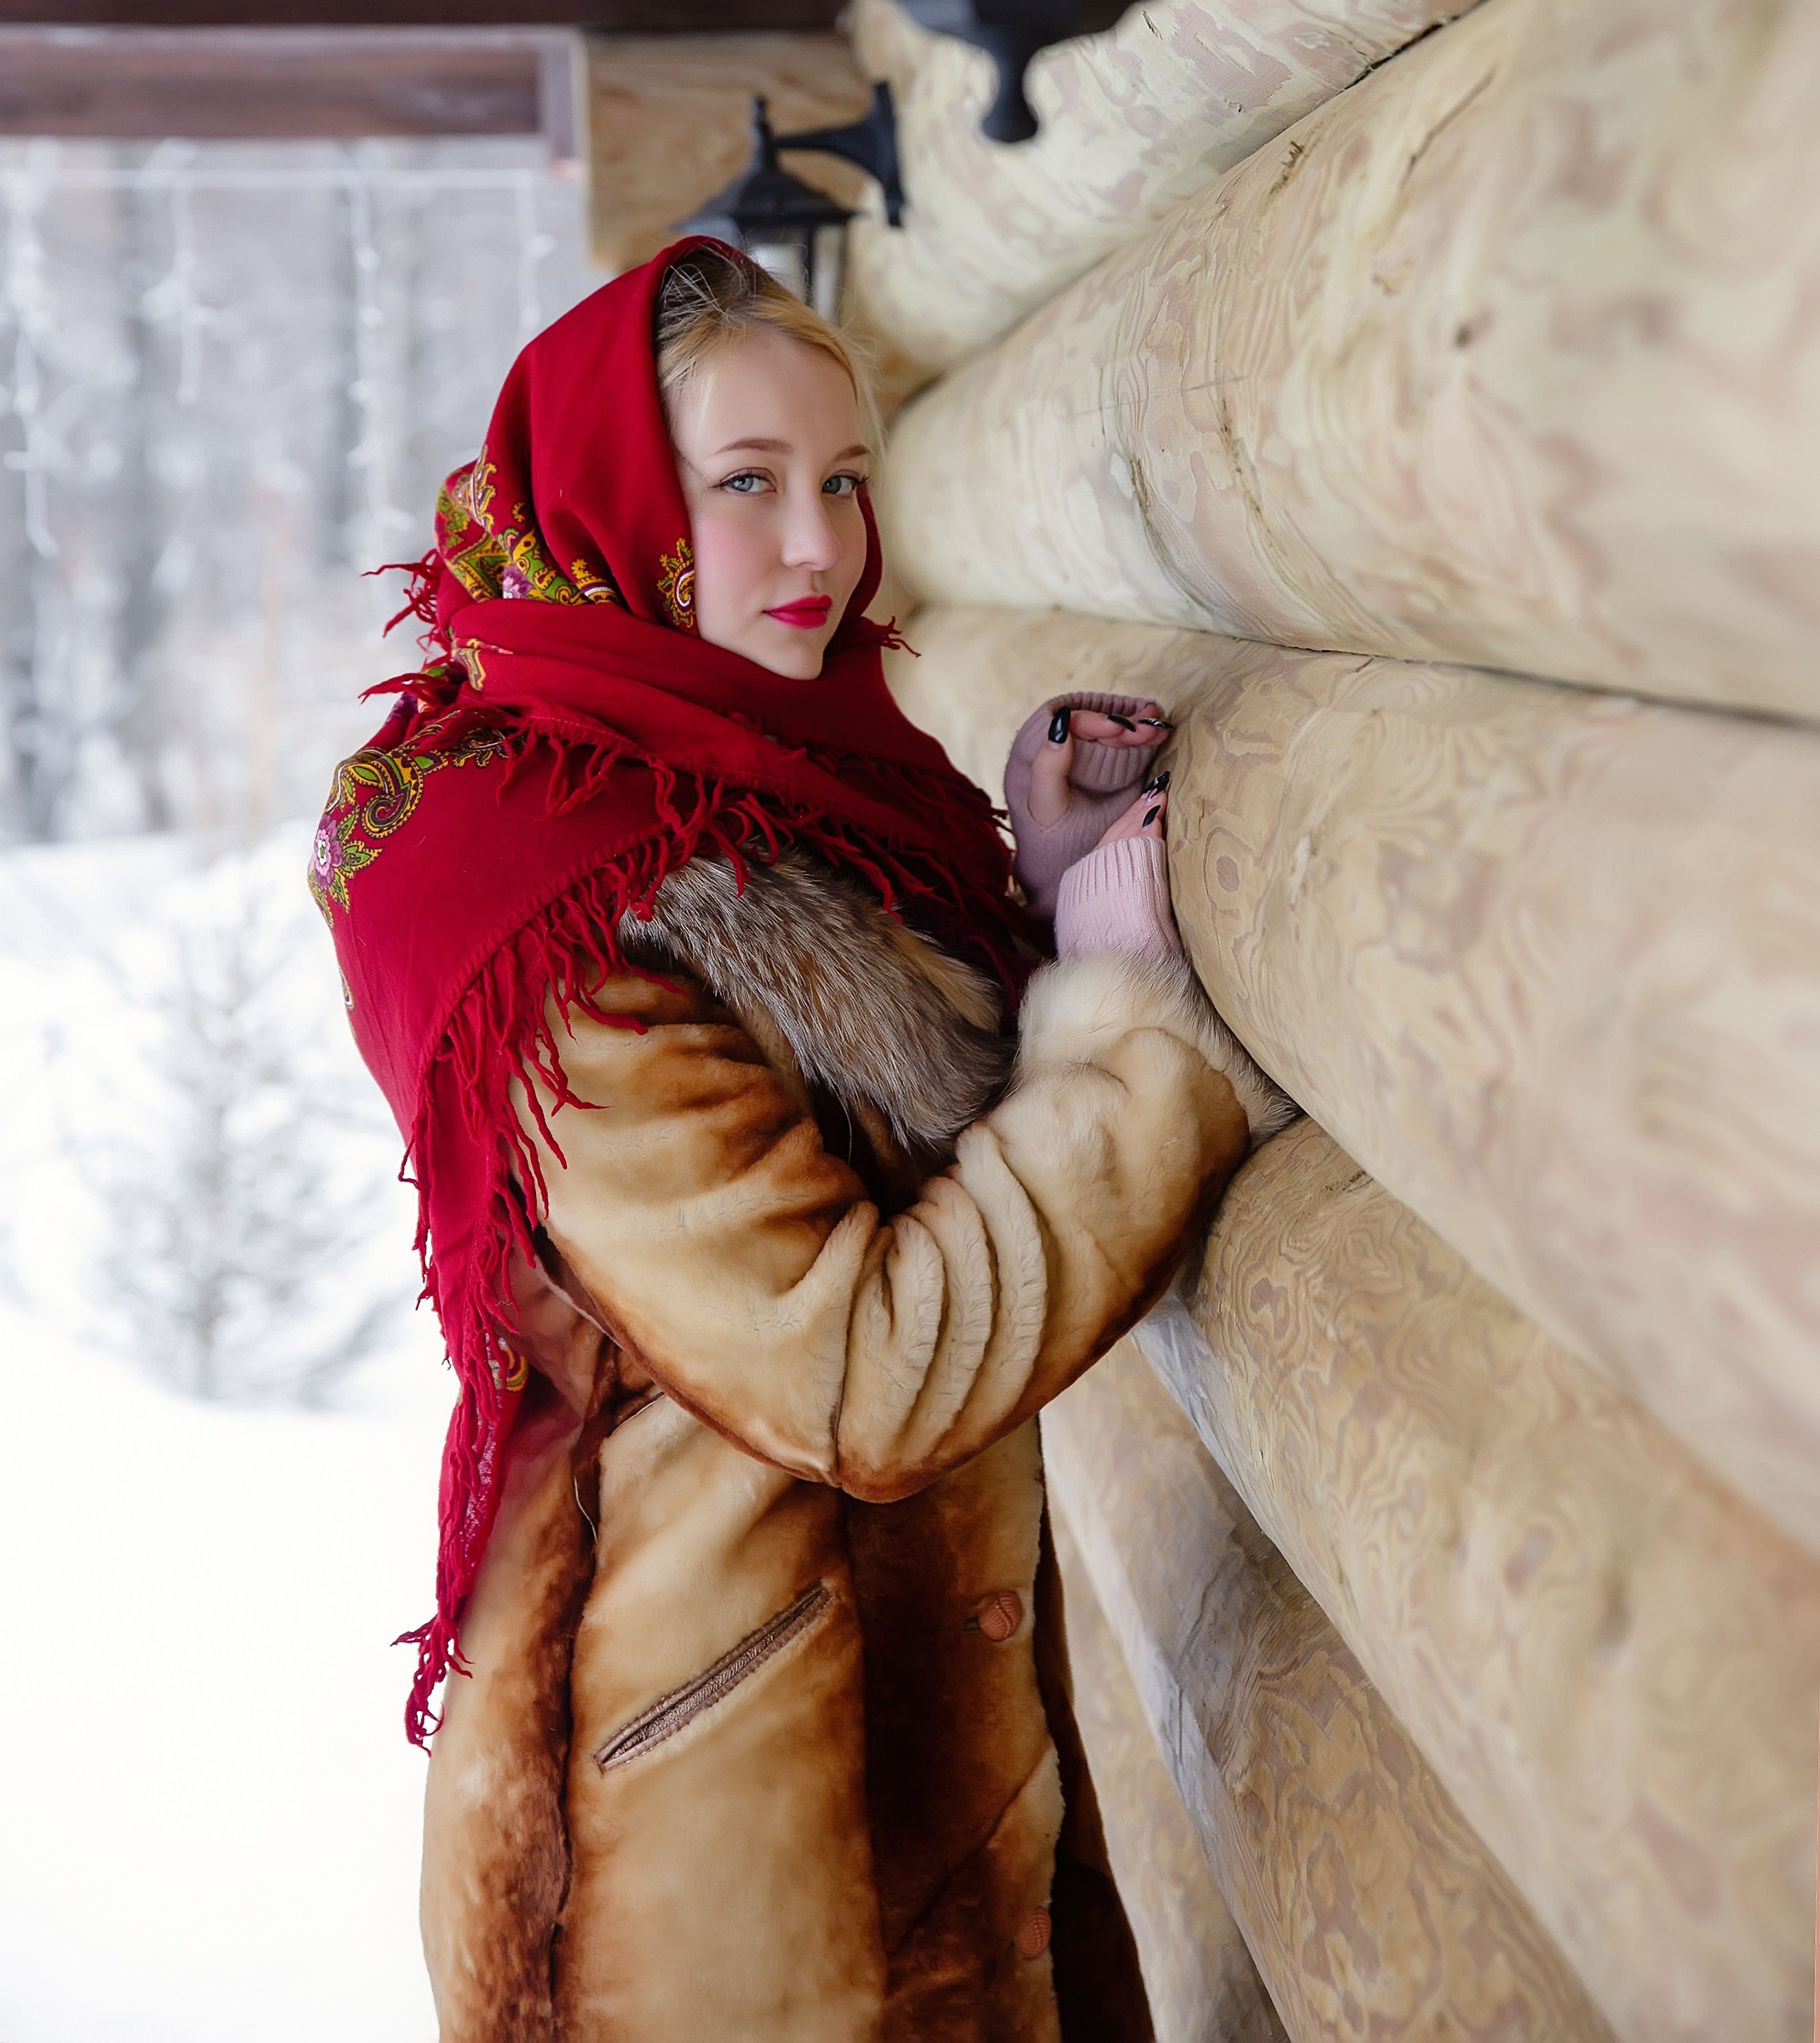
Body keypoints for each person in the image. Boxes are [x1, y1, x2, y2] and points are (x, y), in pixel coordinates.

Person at [314, 238, 1287, 2043]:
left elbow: (888, 1114)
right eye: (742, 485)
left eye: (842, 480)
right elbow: (863, 1373)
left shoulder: (766, 779)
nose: (819, 546)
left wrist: (1036, 901)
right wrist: (1126, 1036)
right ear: (613, 501)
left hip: (901, 1722)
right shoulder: (560, 911)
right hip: (707, 1803)